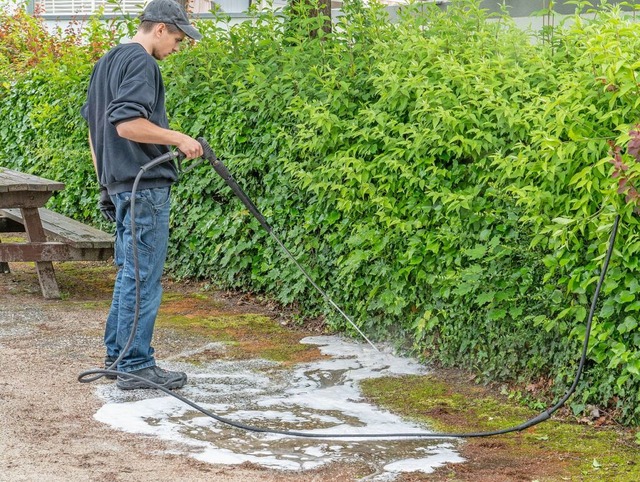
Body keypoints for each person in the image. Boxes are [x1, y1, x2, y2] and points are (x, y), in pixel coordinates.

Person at [81, 0, 204, 390]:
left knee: (129, 275)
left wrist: (105, 183)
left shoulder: (107, 62)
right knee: (144, 277)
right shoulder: (141, 62)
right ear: (161, 29)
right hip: (144, 186)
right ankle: (135, 363)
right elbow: (126, 123)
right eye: (179, 39)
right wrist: (179, 138)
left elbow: (93, 127)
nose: (177, 48)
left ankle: (117, 359)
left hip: (121, 184)